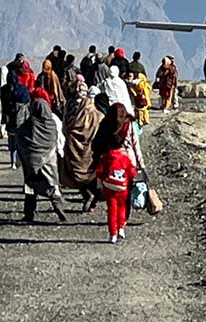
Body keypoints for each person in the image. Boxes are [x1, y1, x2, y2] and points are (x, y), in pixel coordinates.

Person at [91, 103, 147, 241]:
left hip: (110, 164)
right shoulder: (129, 125)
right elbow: (136, 145)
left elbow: (96, 144)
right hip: (128, 161)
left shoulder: (105, 124)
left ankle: (113, 230)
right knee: (124, 196)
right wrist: (141, 165)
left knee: (112, 202)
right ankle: (122, 223)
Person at [17, 96, 68, 223]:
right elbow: (57, 140)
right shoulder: (51, 124)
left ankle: (29, 213)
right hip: (49, 159)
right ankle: (57, 205)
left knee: (30, 187)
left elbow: (21, 140)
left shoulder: (28, 125)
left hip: (31, 162)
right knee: (52, 184)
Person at [60, 76, 104, 212]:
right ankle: (91, 199)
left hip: (76, 150)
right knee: (91, 174)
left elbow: (69, 127)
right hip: (91, 150)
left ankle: (88, 197)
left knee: (76, 174)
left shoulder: (76, 111)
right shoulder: (97, 113)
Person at [95, 145, 137, 245]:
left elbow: (99, 172)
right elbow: (132, 173)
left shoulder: (105, 157)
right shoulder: (125, 158)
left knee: (111, 210)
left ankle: (113, 233)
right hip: (122, 188)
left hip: (109, 188)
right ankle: (121, 228)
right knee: (122, 207)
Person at [3, 71, 30, 170]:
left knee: (13, 142)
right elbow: (27, 101)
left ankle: (13, 161)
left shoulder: (5, 89)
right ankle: (17, 160)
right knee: (18, 141)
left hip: (11, 119)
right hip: (20, 119)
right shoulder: (22, 89)